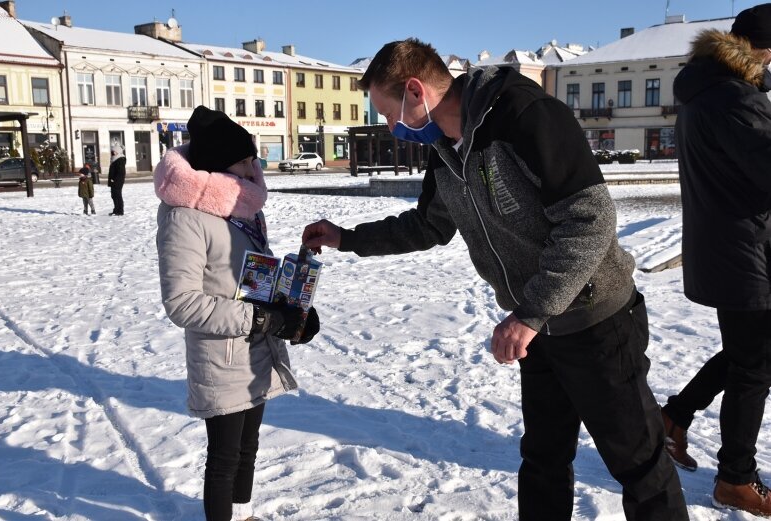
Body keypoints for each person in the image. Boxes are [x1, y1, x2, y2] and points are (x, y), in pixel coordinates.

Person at [302, 39, 688, 520]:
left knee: (640, 468)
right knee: (543, 461)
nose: (389, 127)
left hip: (597, 321)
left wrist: (530, 313)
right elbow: (429, 224)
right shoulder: (444, 150)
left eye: (388, 112)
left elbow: (590, 218)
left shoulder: (526, 116)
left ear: (416, 92)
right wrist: (348, 237)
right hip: (540, 330)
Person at [155, 105, 320, 521]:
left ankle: (243, 514)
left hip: (257, 351)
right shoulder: (185, 217)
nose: (253, 168)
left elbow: (253, 278)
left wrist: (294, 310)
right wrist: (260, 320)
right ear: (217, 166)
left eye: (252, 159)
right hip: (222, 356)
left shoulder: (244, 209)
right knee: (225, 457)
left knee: (249, 447)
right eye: (244, 161)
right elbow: (182, 302)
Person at [661, 4, 771, 516]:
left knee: (748, 355)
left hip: (733, 246)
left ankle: (674, 417)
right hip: (746, 249)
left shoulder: (709, 89)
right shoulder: (734, 98)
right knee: (754, 366)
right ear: (761, 49)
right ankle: (735, 480)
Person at [107, 145, 126, 216]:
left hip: (117, 182)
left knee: (118, 195)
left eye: (114, 151)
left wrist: (115, 181)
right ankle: (116, 210)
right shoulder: (114, 159)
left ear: (118, 152)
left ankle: (120, 211)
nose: (112, 153)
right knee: (114, 196)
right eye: (112, 152)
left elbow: (121, 173)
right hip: (113, 181)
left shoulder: (120, 160)